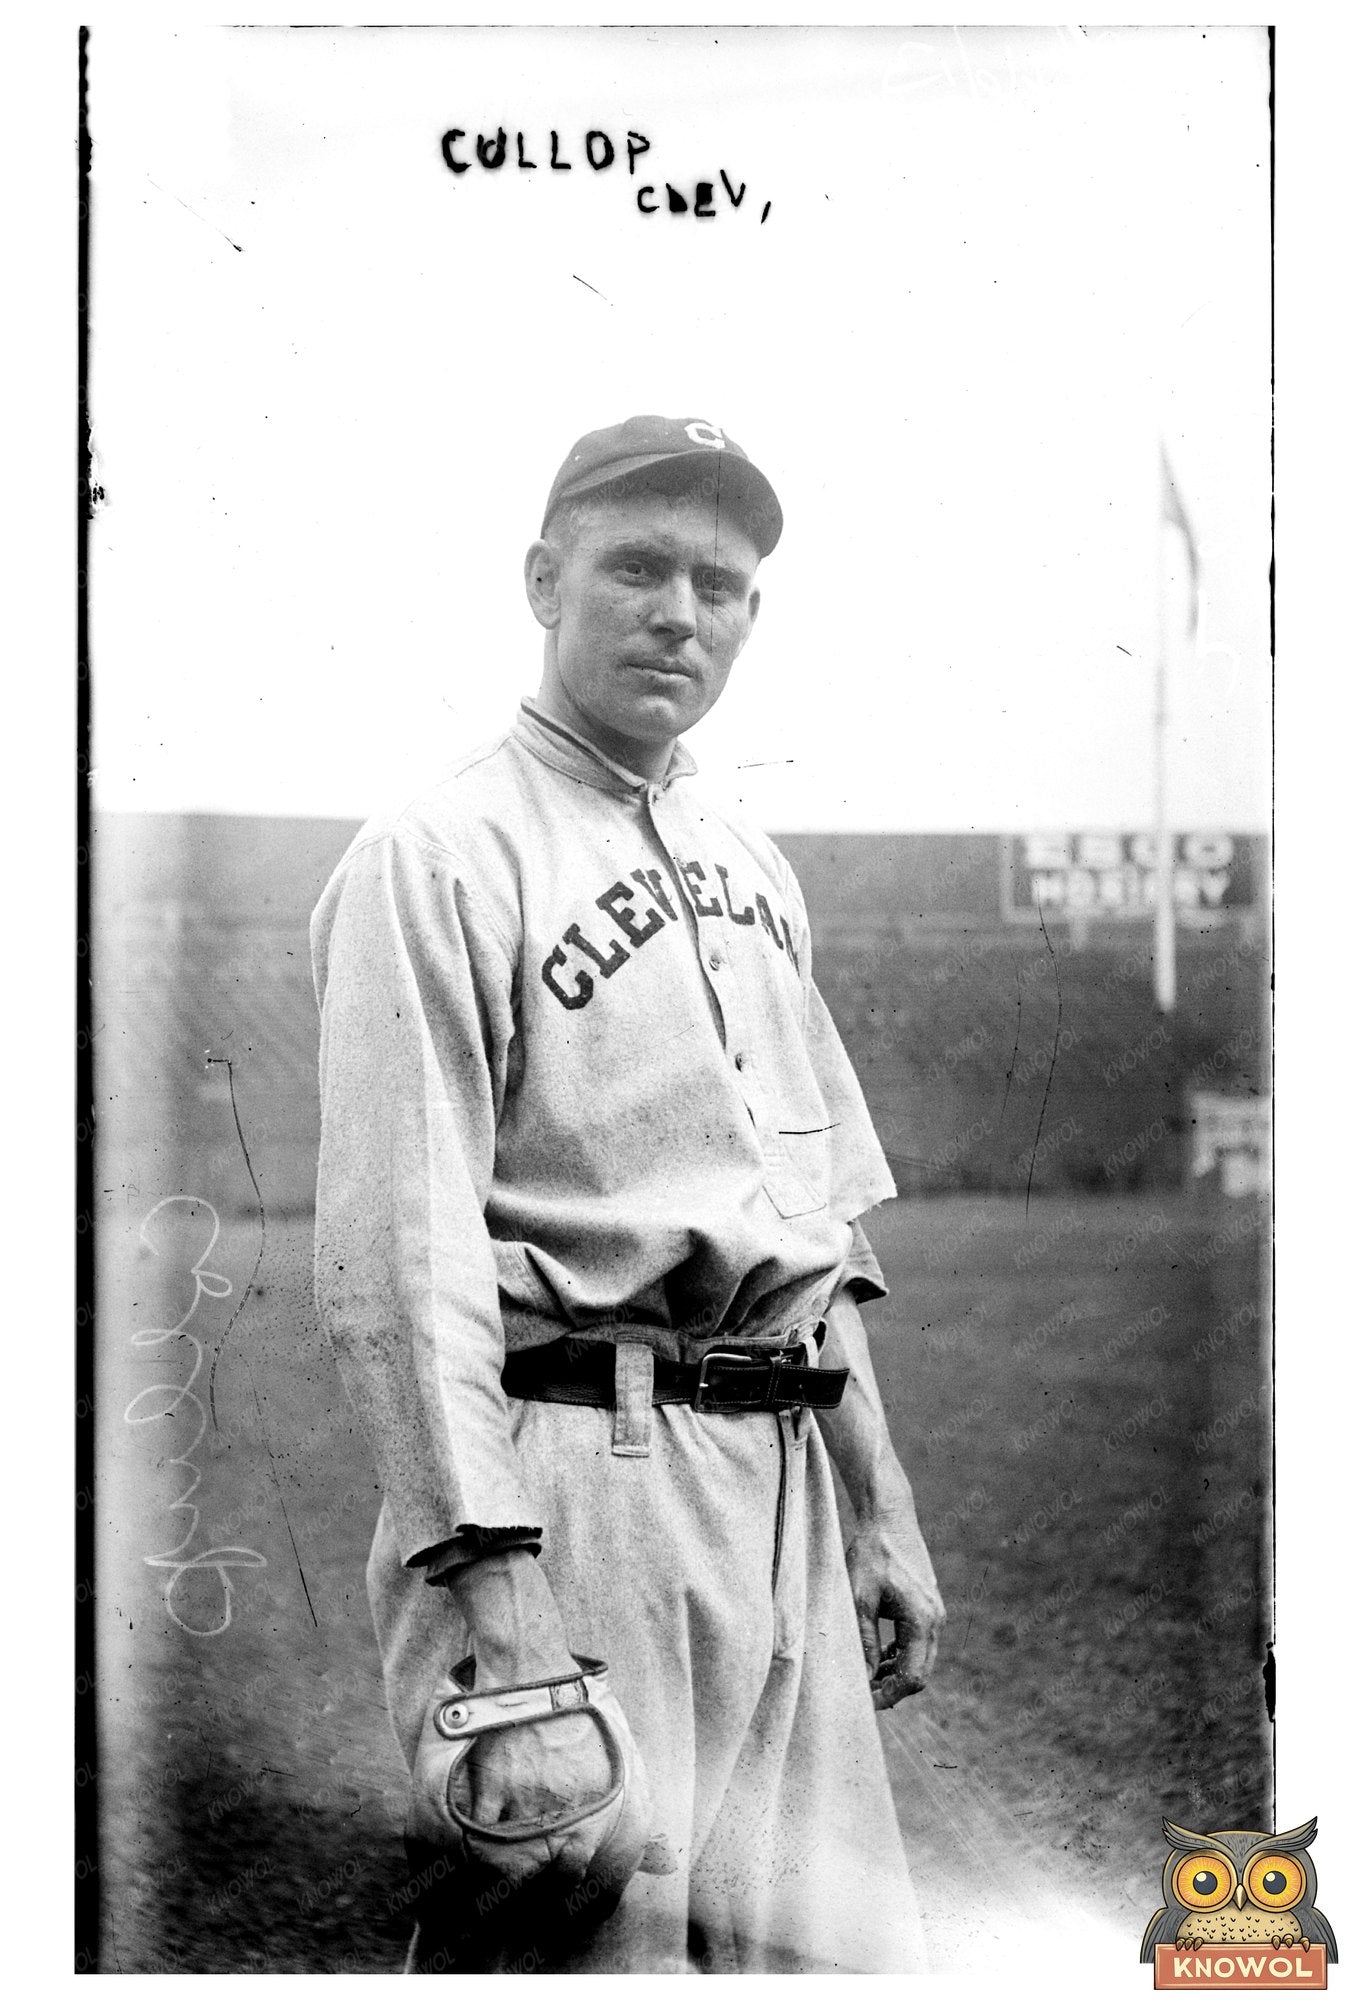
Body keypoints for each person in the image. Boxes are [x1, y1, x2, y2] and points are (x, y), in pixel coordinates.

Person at [310, 414, 944, 1974]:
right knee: (591, 1953)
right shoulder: (438, 853)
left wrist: (883, 1510)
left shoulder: (749, 855)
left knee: (819, 1959)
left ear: (750, 617)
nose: (680, 611)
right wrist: (501, 1615)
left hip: (779, 1477)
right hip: (573, 1480)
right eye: (637, 567)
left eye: (717, 584)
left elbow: (809, 1229)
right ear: (543, 580)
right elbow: (400, 1261)